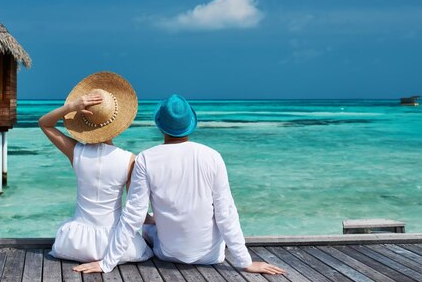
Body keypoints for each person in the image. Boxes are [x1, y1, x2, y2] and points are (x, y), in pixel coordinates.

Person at [73, 94, 285, 275]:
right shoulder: (212, 157)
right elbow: (226, 213)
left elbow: (133, 216)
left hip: (168, 254)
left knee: (148, 224)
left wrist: (107, 263)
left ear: (160, 126)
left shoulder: (146, 158)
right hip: (212, 256)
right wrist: (245, 263)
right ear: (190, 124)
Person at [38, 71, 153, 264]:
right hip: (115, 245)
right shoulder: (129, 159)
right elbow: (136, 211)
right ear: (117, 123)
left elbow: (45, 124)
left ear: (86, 122)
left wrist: (71, 107)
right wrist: (159, 219)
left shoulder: (76, 152)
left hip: (75, 245)